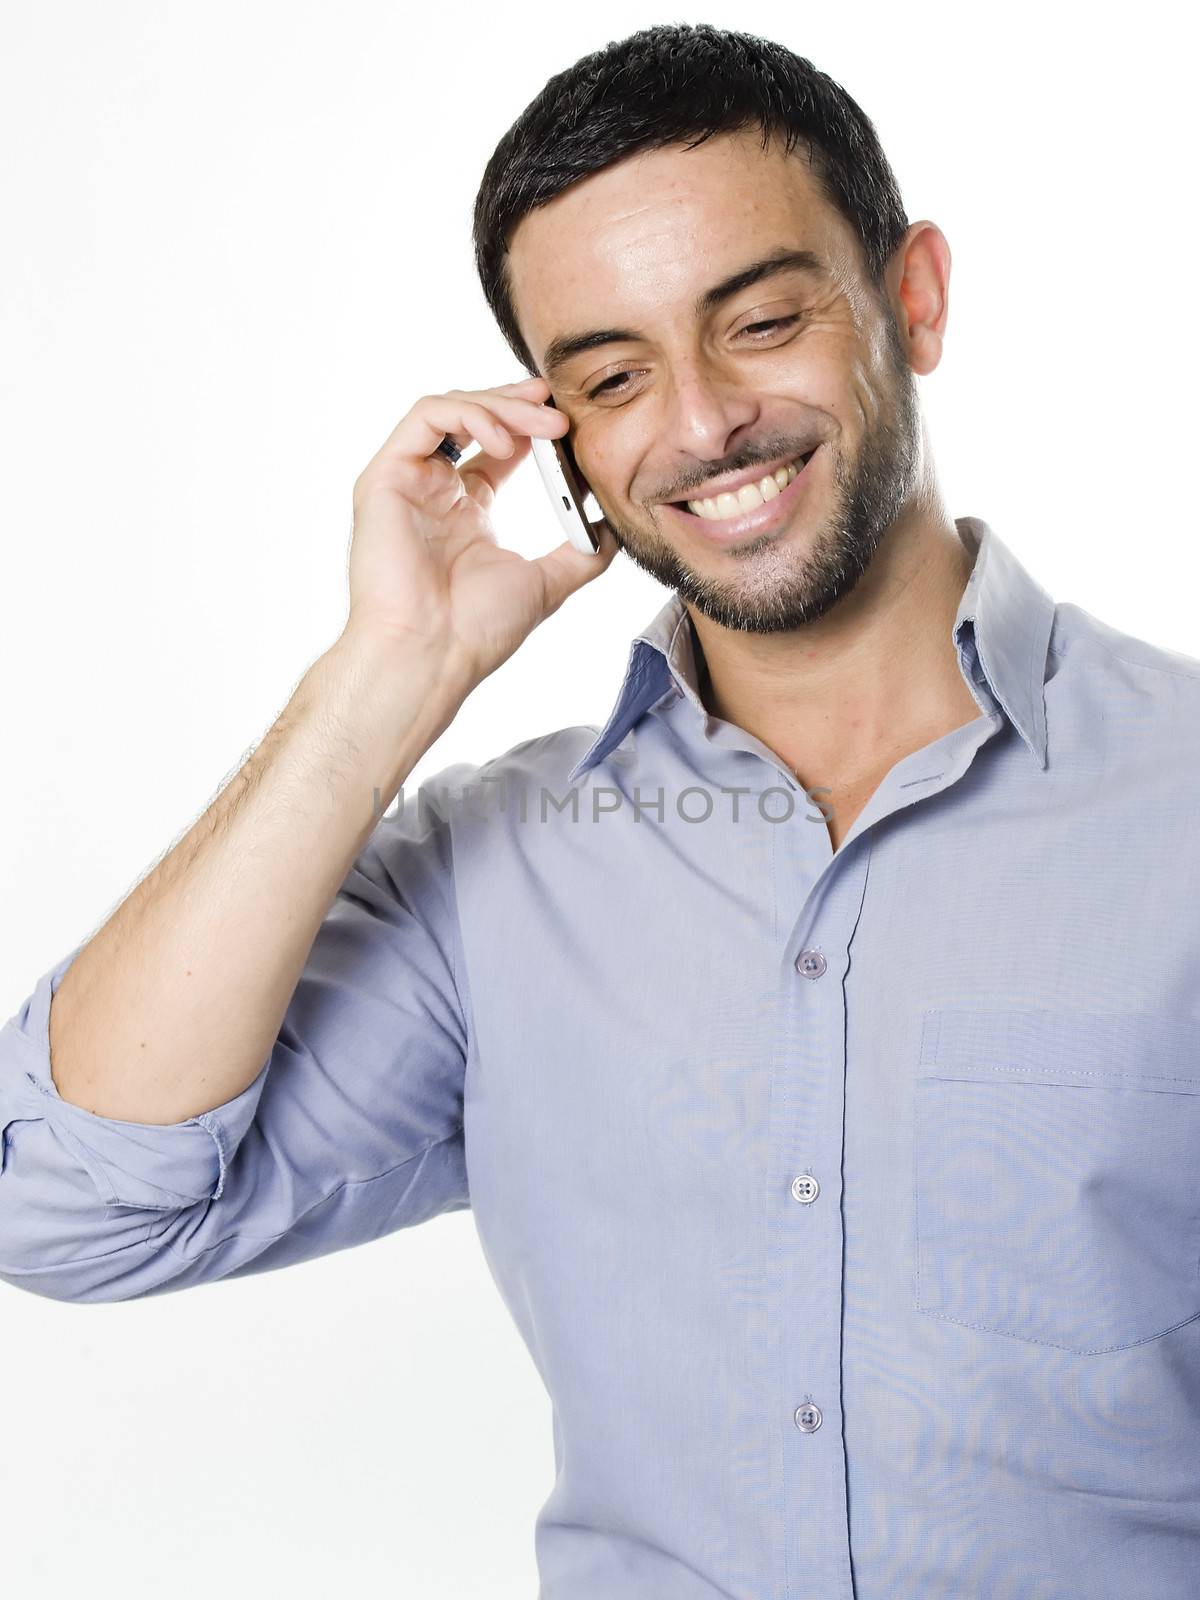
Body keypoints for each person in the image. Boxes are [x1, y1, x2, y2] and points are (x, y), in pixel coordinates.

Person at [3, 21, 1199, 1600]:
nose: (701, 425)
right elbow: (72, 1206)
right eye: (615, 376)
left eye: (762, 321)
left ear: (911, 299)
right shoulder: (492, 872)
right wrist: (386, 677)